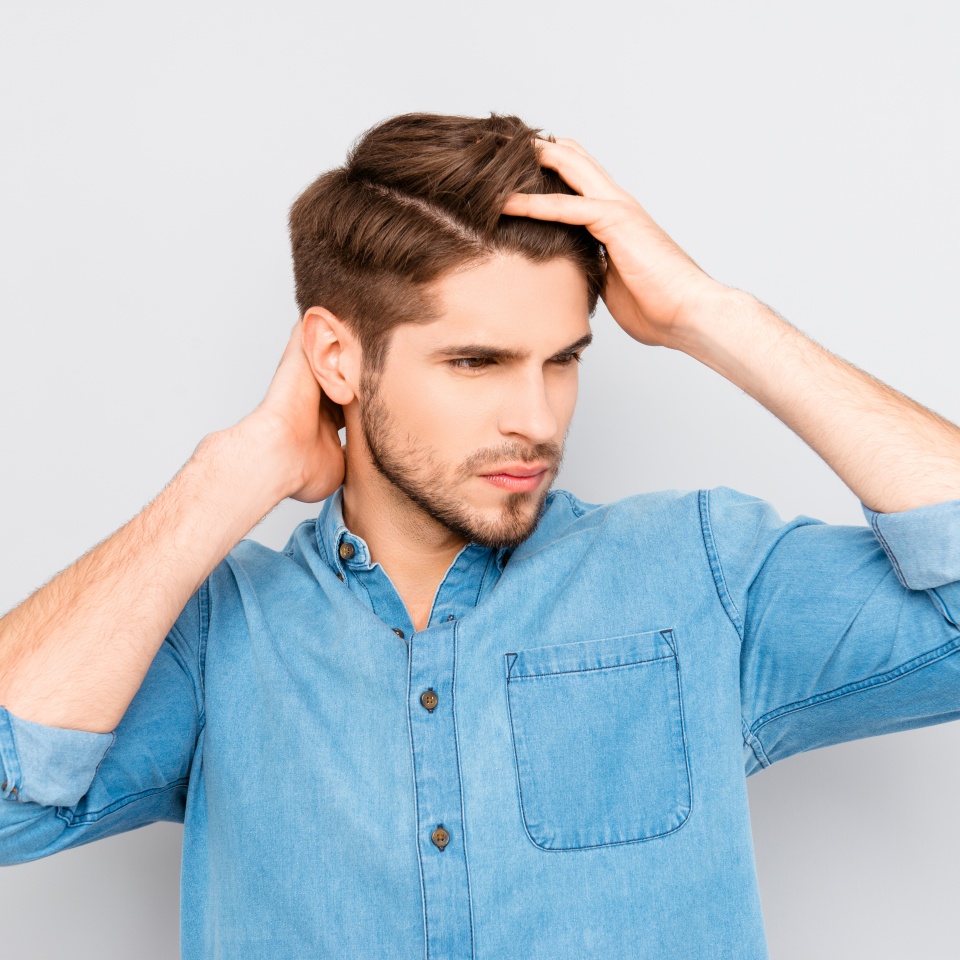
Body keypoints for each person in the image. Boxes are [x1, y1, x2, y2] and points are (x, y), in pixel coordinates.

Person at [1, 112, 958, 960]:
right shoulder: (219, 636)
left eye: (562, 360)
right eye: (476, 362)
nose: (536, 420)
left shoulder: (703, 573)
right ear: (337, 358)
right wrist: (231, 475)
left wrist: (714, 316)